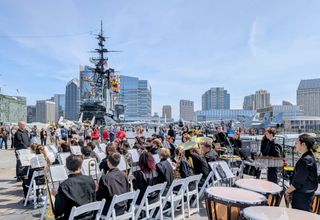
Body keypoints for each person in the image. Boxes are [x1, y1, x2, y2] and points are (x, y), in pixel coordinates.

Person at [52, 154, 96, 220]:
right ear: (81, 166)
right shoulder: (90, 179)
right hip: (90, 217)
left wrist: (56, 196)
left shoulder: (64, 185)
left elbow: (58, 212)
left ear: (67, 167)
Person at [285, 134, 318, 212]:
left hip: (302, 197)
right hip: (306, 195)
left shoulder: (305, 160)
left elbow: (298, 182)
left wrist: (287, 191)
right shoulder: (309, 157)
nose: (295, 144)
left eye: (296, 142)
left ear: (303, 144)